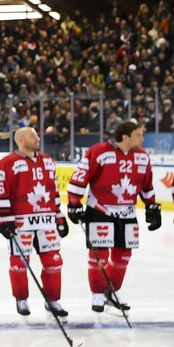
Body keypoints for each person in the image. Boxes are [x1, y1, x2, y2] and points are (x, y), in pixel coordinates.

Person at [67, 119, 161, 313]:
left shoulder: (142, 157)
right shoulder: (98, 152)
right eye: (138, 135)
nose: (143, 139)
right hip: (100, 210)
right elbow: (79, 178)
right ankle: (98, 294)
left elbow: (147, 185)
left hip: (127, 212)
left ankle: (111, 290)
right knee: (99, 256)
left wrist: (152, 207)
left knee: (123, 255)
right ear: (125, 137)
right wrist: (74, 203)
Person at [0, 126, 69, 318]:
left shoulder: (48, 162)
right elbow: (0, 192)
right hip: (21, 223)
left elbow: (53, 192)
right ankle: (21, 298)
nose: (37, 138)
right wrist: (4, 219)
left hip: (47, 221)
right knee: (19, 263)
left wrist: (59, 216)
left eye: (36, 135)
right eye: (31, 135)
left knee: (53, 261)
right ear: (20, 141)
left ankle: (52, 300)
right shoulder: (6, 164)